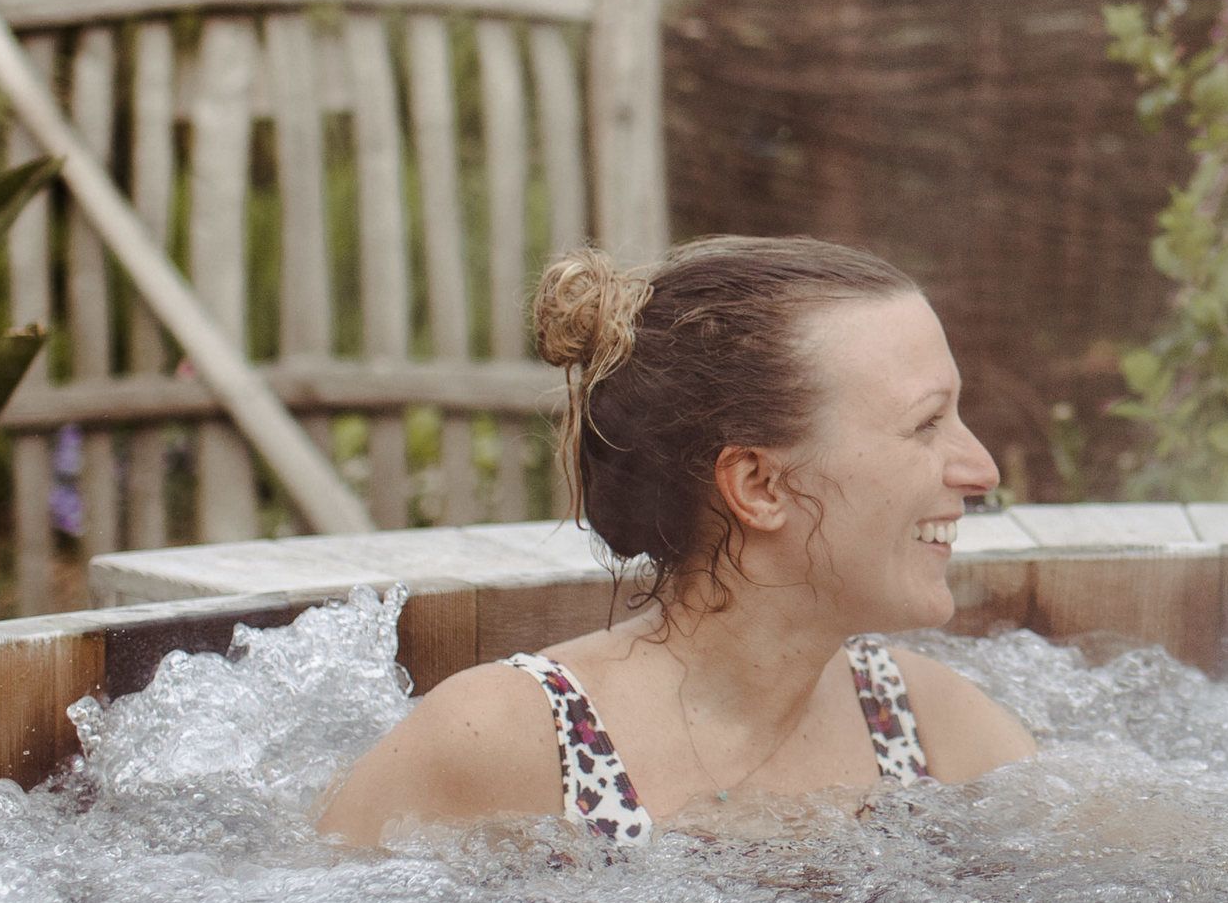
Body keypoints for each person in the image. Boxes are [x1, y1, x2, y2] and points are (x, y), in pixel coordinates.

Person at [319, 236, 1035, 849]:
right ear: (758, 485)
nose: (982, 470)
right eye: (926, 424)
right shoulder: (504, 742)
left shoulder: (928, 726)